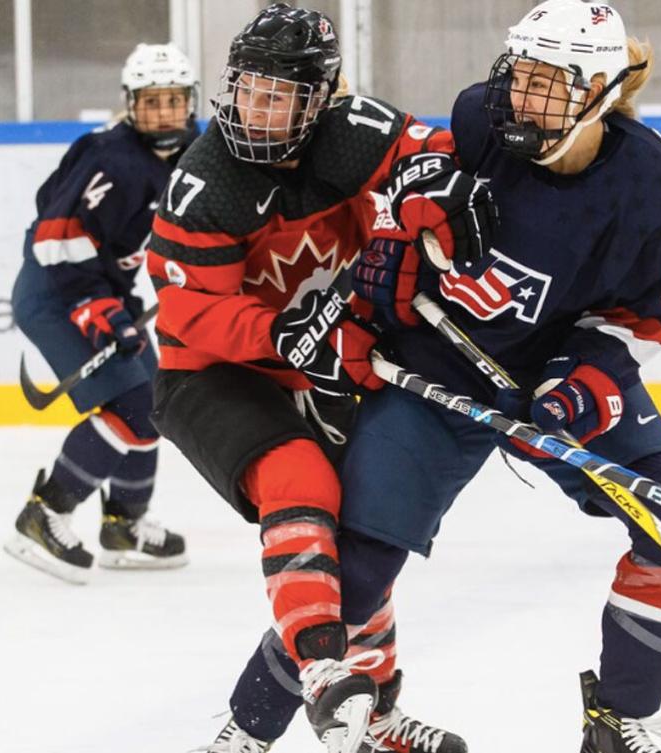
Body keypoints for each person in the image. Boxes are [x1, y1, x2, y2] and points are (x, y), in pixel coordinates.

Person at [216, 3, 661, 752]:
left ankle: (619, 719)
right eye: (522, 75)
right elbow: (402, 199)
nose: (523, 98)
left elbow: (637, 323)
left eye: (551, 84)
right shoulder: (480, 123)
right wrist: (395, 235)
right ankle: (243, 733)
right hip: (437, 371)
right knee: (353, 575)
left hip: (556, 372)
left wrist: (582, 386)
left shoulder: (654, 188)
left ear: (603, 94)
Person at [143, 6, 493, 753]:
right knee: (300, 478)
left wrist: (434, 193)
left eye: (280, 95)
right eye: (248, 90)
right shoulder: (207, 184)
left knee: (367, 521)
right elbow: (188, 310)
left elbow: (428, 154)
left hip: (325, 360)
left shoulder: (352, 131)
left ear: (321, 99)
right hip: (212, 372)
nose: (256, 110)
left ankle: (376, 711)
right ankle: (325, 672)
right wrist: (278, 335)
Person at [5, 43, 200, 584]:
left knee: (155, 400)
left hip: (108, 288)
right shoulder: (110, 159)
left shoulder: (191, 151)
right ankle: (45, 513)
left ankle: (124, 524)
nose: (164, 113)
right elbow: (55, 238)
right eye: (152, 101)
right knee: (133, 405)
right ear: (131, 104)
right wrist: (96, 307)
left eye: (174, 100)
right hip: (57, 292)